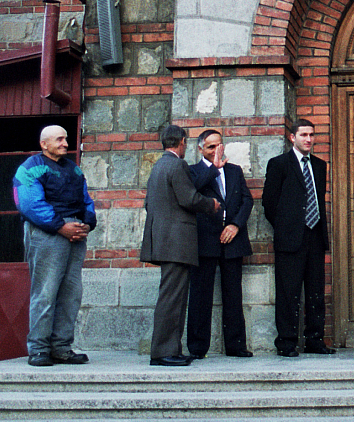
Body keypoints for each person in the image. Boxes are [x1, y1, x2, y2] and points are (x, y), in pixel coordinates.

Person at [12, 125, 95, 367]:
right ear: (44, 144)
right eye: (59, 139)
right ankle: (38, 349)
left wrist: (88, 224)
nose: (65, 143)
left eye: (66, 139)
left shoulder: (74, 169)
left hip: (75, 234)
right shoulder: (30, 168)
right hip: (47, 234)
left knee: (71, 294)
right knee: (46, 292)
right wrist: (61, 226)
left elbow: (86, 199)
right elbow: (28, 203)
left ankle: (61, 347)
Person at [140, 124, 220, 366]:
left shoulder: (159, 165)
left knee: (172, 297)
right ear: (182, 142)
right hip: (175, 242)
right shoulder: (177, 164)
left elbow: (149, 204)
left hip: (165, 241)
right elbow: (189, 198)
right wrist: (211, 205)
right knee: (172, 299)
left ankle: (170, 349)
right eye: (186, 143)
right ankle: (163, 352)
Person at [262, 118, 336, 357]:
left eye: (312, 135)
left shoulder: (319, 165)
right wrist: (286, 228)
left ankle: (315, 340)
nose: (308, 139)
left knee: (315, 290)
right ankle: (286, 342)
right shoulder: (279, 164)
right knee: (288, 292)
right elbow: (269, 203)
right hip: (290, 238)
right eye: (303, 135)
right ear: (292, 137)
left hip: (314, 236)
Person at [186, 129, 254, 359]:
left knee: (233, 294)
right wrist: (214, 168)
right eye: (210, 147)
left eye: (219, 145)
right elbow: (192, 191)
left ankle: (236, 345)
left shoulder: (234, 170)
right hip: (205, 240)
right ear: (200, 149)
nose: (216, 151)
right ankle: (197, 347)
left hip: (232, 239)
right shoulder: (193, 171)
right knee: (200, 295)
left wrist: (235, 225)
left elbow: (246, 199)